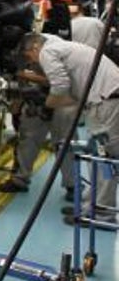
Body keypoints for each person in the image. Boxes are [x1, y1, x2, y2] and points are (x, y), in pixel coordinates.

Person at [19, 32, 119, 224]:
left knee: (104, 157)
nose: (31, 62)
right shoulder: (59, 45)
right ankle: (90, 207)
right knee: (96, 157)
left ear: (34, 48)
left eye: (28, 57)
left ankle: (103, 214)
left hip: (106, 102)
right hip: (105, 99)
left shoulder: (47, 51)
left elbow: (60, 85)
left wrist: (48, 106)